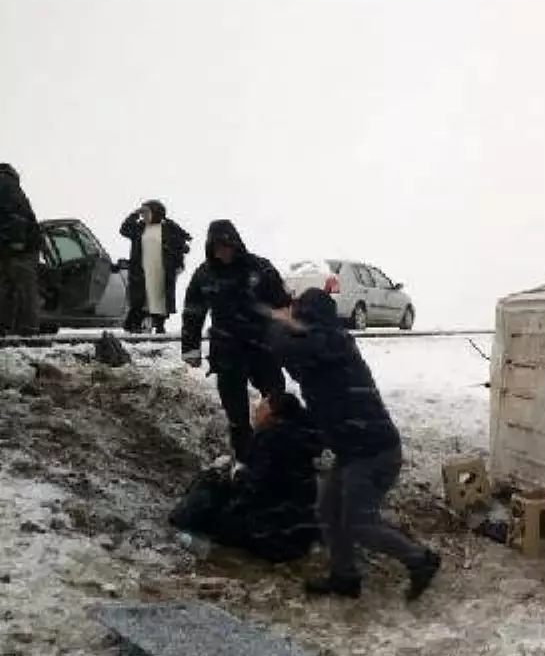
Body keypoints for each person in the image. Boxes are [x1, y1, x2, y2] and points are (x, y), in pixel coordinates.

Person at [267, 287, 441, 600]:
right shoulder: (319, 351)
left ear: (310, 318)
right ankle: (344, 576)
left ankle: (421, 560)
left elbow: (285, 347)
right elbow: (287, 357)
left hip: (374, 452)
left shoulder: (331, 342)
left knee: (360, 524)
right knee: (328, 510)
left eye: (298, 317)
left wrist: (275, 321)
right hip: (354, 449)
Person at [181, 219, 291, 462]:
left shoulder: (259, 269)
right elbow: (193, 312)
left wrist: (287, 339)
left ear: (235, 244)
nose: (222, 253)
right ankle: (245, 460)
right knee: (237, 416)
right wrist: (190, 347)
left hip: (261, 348)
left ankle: (281, 455)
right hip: (226, 352)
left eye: (226, 246)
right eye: (216, 248)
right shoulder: (205, 274)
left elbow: (283, 306)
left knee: (276, 402)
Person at [169, 392, 323, 562]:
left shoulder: (270, 441)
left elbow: (251, 493)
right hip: (300, 535)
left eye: (261, 408)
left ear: (272, 416)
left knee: (208, 490)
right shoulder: (302, 443)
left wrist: (227, 480)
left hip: (272, 537)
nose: (255, 411)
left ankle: (182, 530)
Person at [119, 199, 192, 334]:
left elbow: (182, 247)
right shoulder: (139, 228)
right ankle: (135, 327)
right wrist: (134, 214)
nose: (144, 216)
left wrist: (177, 263)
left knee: (159, 301)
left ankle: (159, 327)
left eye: (146, 212)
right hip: (141, 272)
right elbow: (124, 230)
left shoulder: (169, 229)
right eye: (143, 213)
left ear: (156, 213)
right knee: (139, 302)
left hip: (161, 272)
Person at [0, 163, 42, 337]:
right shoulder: (7, 184)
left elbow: (15, 215)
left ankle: (21, 330)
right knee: (16, 288)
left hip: (18, 246)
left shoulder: (5, 184)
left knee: (16, 287)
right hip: (17, 245)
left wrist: (14, 242)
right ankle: (18, 328)